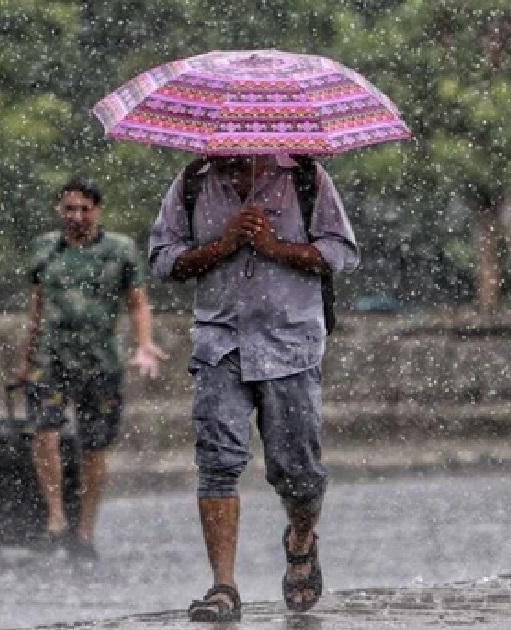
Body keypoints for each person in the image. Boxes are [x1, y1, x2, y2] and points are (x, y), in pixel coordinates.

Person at [148, 154, 358, 621]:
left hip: (291, 345)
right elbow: (163, 259)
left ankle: (301, 540)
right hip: (219, 344)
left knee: (298, 473)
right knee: (217, 462)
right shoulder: (192, 181)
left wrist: (274, 246)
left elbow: (339, 252)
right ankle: (223, 586)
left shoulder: (306, 177)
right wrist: (221, 246)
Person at [17, 179, 167, 561]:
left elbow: (137, 301)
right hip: (51, 358)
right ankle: (55, 519)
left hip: (100, 361)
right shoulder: (45, 249)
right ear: (59, 210)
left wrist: (144, 343)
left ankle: (84, 530)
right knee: (44, 431)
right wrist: (26, 357)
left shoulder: (119, 250)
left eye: (84, 209)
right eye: (70, 208)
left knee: (95, 446)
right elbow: (38, 303)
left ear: (98, 211)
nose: (77, 216)